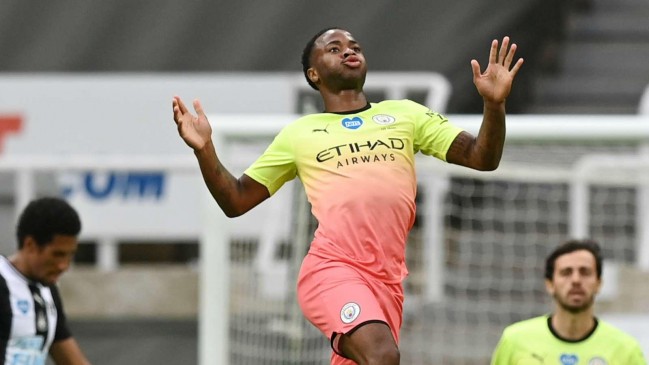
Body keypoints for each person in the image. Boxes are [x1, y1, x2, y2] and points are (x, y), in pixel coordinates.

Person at [172, 27, 523, 365]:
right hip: (332, 270)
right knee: (382, 355)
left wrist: (494, 105)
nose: (349, 51)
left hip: (387, 281)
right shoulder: (300, 133)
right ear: (314, 74)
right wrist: (204, 150)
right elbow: (236, 201)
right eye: (334, 48)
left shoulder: (406, 114)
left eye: (354, 46)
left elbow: (483, 158)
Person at [491, 239, 647, 365]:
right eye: (566, 272)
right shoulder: (515, 340)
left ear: (599, 283)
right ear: (550, 284)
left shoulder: (626, 349)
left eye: (585, 272)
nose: (576, 280)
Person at [0, 197, 91, 365]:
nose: (64, 265)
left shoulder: (47, 290)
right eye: (57, 254)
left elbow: (71, 359)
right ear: (30, 245)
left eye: (70, 255)